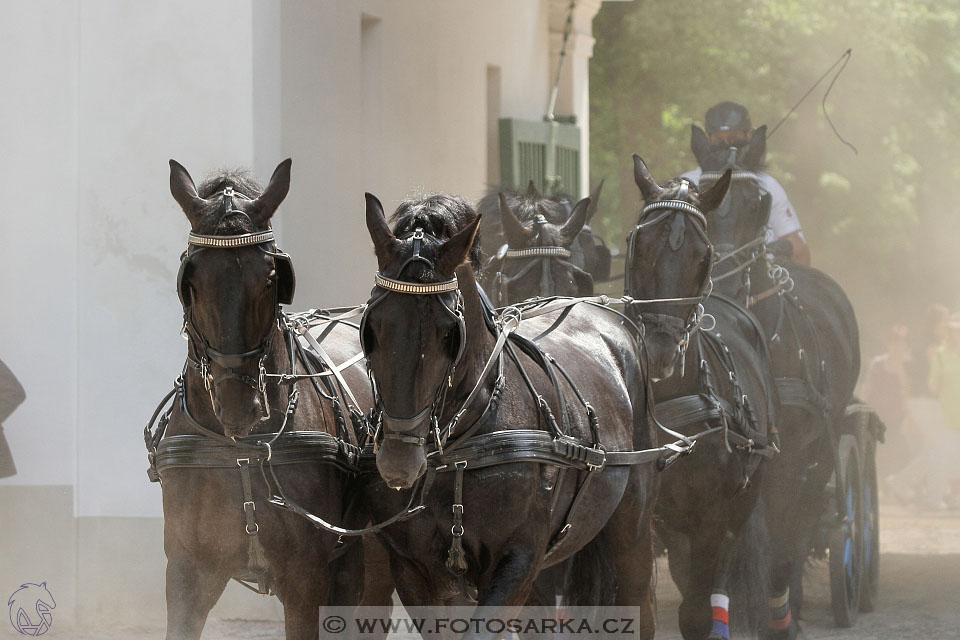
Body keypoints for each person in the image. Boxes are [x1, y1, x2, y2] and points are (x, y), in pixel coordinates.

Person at [682, 101, 811, 265]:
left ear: (749, 135)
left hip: (758, 280)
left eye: (734, 138)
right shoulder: (689, 184)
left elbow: (798, 250)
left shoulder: (767, 185)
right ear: (708, 139)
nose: (728, 145)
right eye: (720, 140)